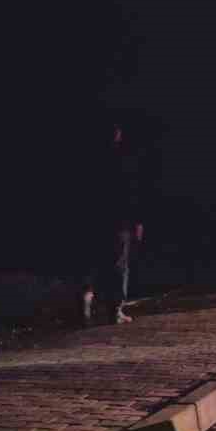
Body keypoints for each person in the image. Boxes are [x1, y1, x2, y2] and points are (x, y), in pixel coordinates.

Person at [83, 124, 144, 325]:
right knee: (119, 265)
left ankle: (88, 297)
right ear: (117, 135)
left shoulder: (91, 160)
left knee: (96, 261)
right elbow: (132, 193)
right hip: (120, 220)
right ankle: (115, 309)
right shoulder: (124, 160)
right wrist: (137, 221)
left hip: (96, 218)